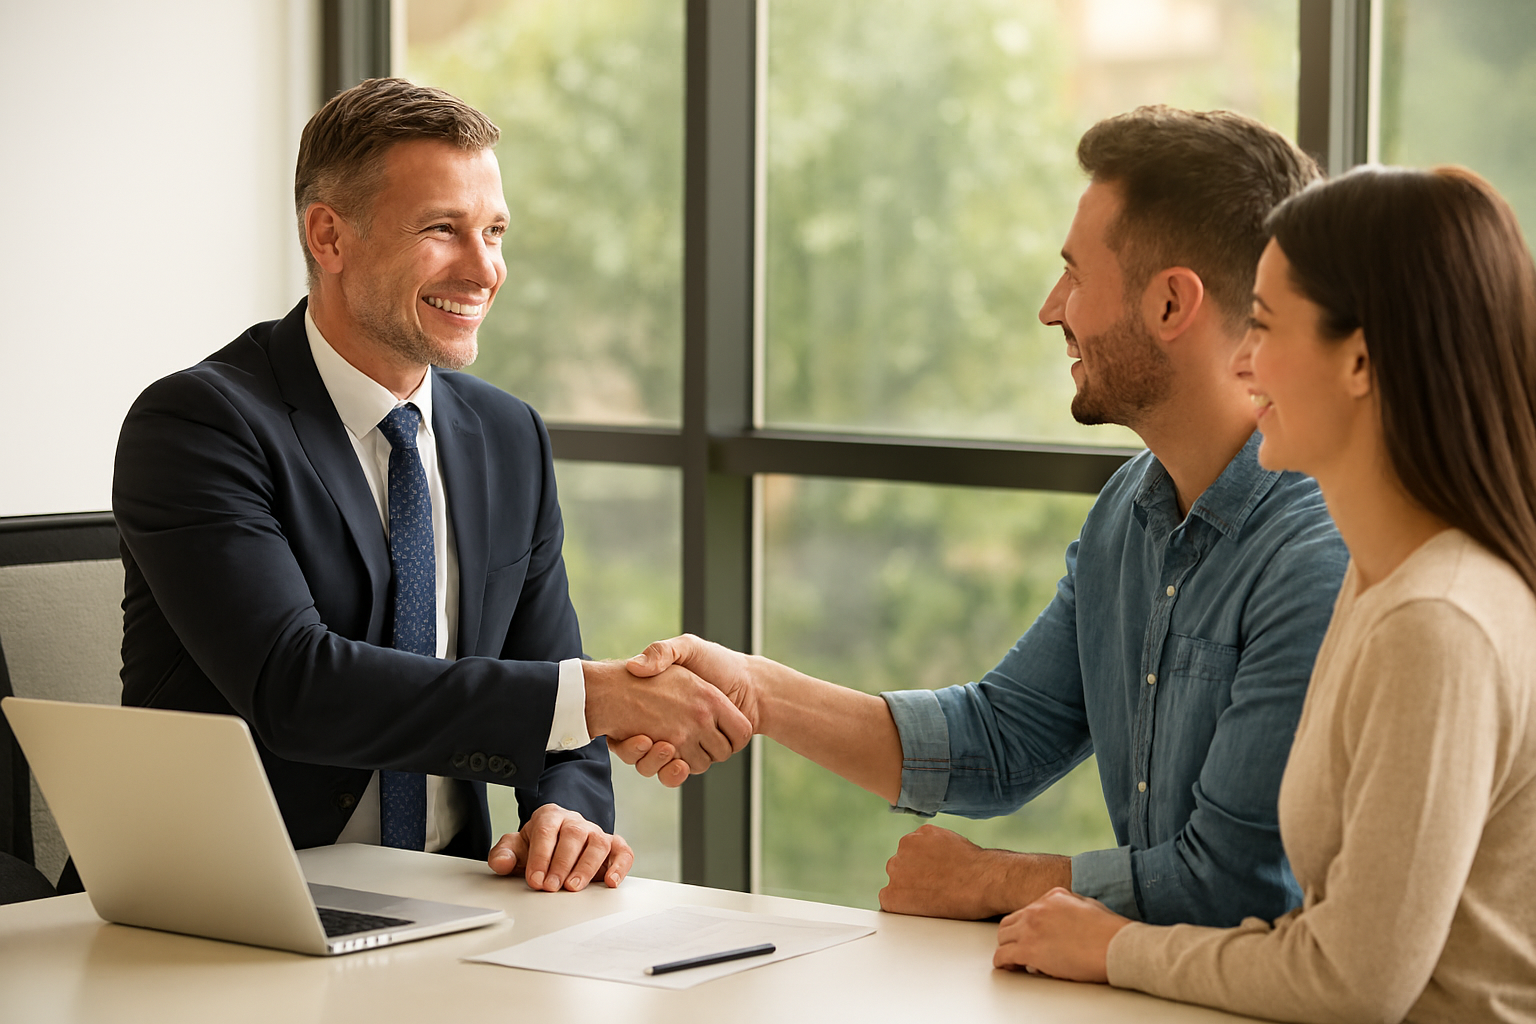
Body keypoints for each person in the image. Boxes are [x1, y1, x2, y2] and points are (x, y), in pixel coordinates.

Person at [617, 106, 1349, 927]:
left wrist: (995, 883)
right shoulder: (1128, 513)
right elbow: (1001, 742)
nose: (1050, 307)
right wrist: (756, 688)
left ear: (1173, 305)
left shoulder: (1320, 550)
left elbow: (1239, 886)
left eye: (1075, 273)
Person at [112, 78, 750, 897]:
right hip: (226, 900)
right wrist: (595, 695)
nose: (485, 269)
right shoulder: (200, 424)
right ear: (329, 236)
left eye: (493, 231)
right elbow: (298, 688)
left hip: (453, 899)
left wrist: (569, 813)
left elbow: (552, 688)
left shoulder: (508, 436)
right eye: (443, 230)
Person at [993, 165, 1536, 1023]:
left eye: (1266, 326)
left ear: (1359, 359)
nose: (1242, 360)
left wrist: (1112, 947)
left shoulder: (1435, 622)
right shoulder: (1381, 577)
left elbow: (1352, 982)